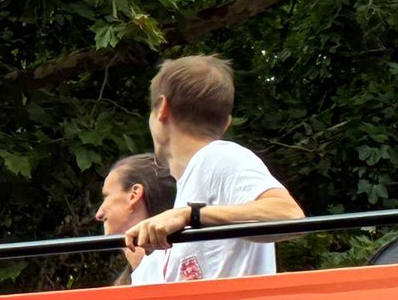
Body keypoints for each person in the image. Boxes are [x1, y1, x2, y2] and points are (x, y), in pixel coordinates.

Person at [125, 55, 304, 282]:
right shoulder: (198, 176)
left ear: (162, 108)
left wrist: (190, 215)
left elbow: (290, 216)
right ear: (226, 123)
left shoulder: (219, 156)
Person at [95, 153, 175, 285]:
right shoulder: (125, 283)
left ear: (134, 195)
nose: (98, 214)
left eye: (107, 196)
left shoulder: (179, 261)